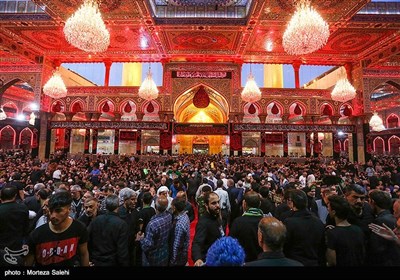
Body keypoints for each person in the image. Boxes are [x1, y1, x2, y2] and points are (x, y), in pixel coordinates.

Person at [25, 191, 89, 266]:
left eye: (58, 211)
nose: (53, 216)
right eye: (51, 211)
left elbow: (84, 254)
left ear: (69, 209)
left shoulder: (79, 229)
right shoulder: (37, 234)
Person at [88, 194, 129, 266]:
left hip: (96, 260)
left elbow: (87, 239)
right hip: (112, 262)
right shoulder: (122, 224)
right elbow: (122, 249)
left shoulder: (96, 220)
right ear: (118, 205)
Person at [325, 195, 365, 266]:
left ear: (334, 212)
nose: (327, 209)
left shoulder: (332, 234)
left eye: (328, 207)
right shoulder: (358, 230)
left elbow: (332, 262)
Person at [192, 192, 224, 266]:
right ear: (206, 205)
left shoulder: (216, 215)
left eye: (218, 202)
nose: (218, 205)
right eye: (214, 203)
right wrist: (198, 258)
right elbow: (197, 243)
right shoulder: (203, 223)